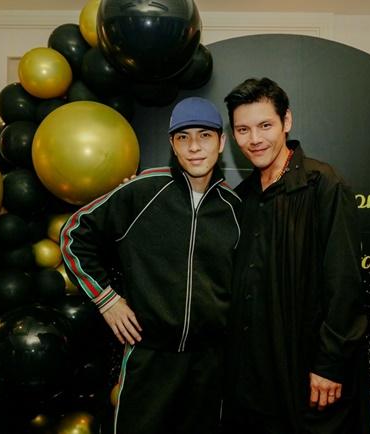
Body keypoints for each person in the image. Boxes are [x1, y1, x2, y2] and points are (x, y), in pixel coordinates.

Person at [60, 97, 241, 434]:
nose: (194, 147)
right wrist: (107, 299)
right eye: (183, 137)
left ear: (221, 142)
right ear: (172, 145)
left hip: (208, 366)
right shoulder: (143, 191)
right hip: (149, 358)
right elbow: (73, 234)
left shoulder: (235, 208)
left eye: (204, 135)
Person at [221, 78, 370, 434]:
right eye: (243, 129)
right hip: (256, 377)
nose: (254, 139)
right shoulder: (242, 198)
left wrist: (330, 364)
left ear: (286, 121)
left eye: (265, 126)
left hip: (311, 372)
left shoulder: (324, 184)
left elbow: (344, 283)